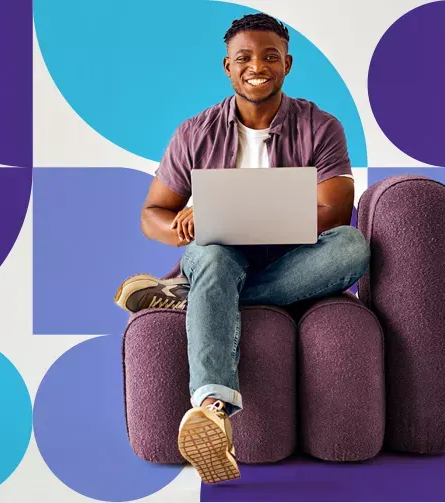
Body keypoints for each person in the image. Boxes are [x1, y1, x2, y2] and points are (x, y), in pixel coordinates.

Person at [112, 13, 370, 484]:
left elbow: (334, 211)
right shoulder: (195, 132)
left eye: (270, 56)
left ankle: (187, 296)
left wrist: (245, 212)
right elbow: (152, 214)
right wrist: (186, 227)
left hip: (295, 259)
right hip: (216, 253)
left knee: (352, 246)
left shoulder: (321, 126)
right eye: (244, 58)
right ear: (227, 67)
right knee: (212, 258)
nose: (258, 65)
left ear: (287, 64)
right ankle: (212, 410)